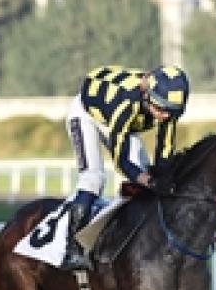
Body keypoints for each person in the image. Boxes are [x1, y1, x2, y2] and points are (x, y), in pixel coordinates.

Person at [59, 64, 190, 271]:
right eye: (160, 109)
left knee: (146, 171)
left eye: (171, 111)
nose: (165, 116)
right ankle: (72, 248)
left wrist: (161, 178)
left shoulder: (167, 108)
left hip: (118, 120)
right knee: (93, 178)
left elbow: (164, 151)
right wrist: (147, 179)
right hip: (86, 114)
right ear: (147, 96)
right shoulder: (127, 103)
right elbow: (120, 160)